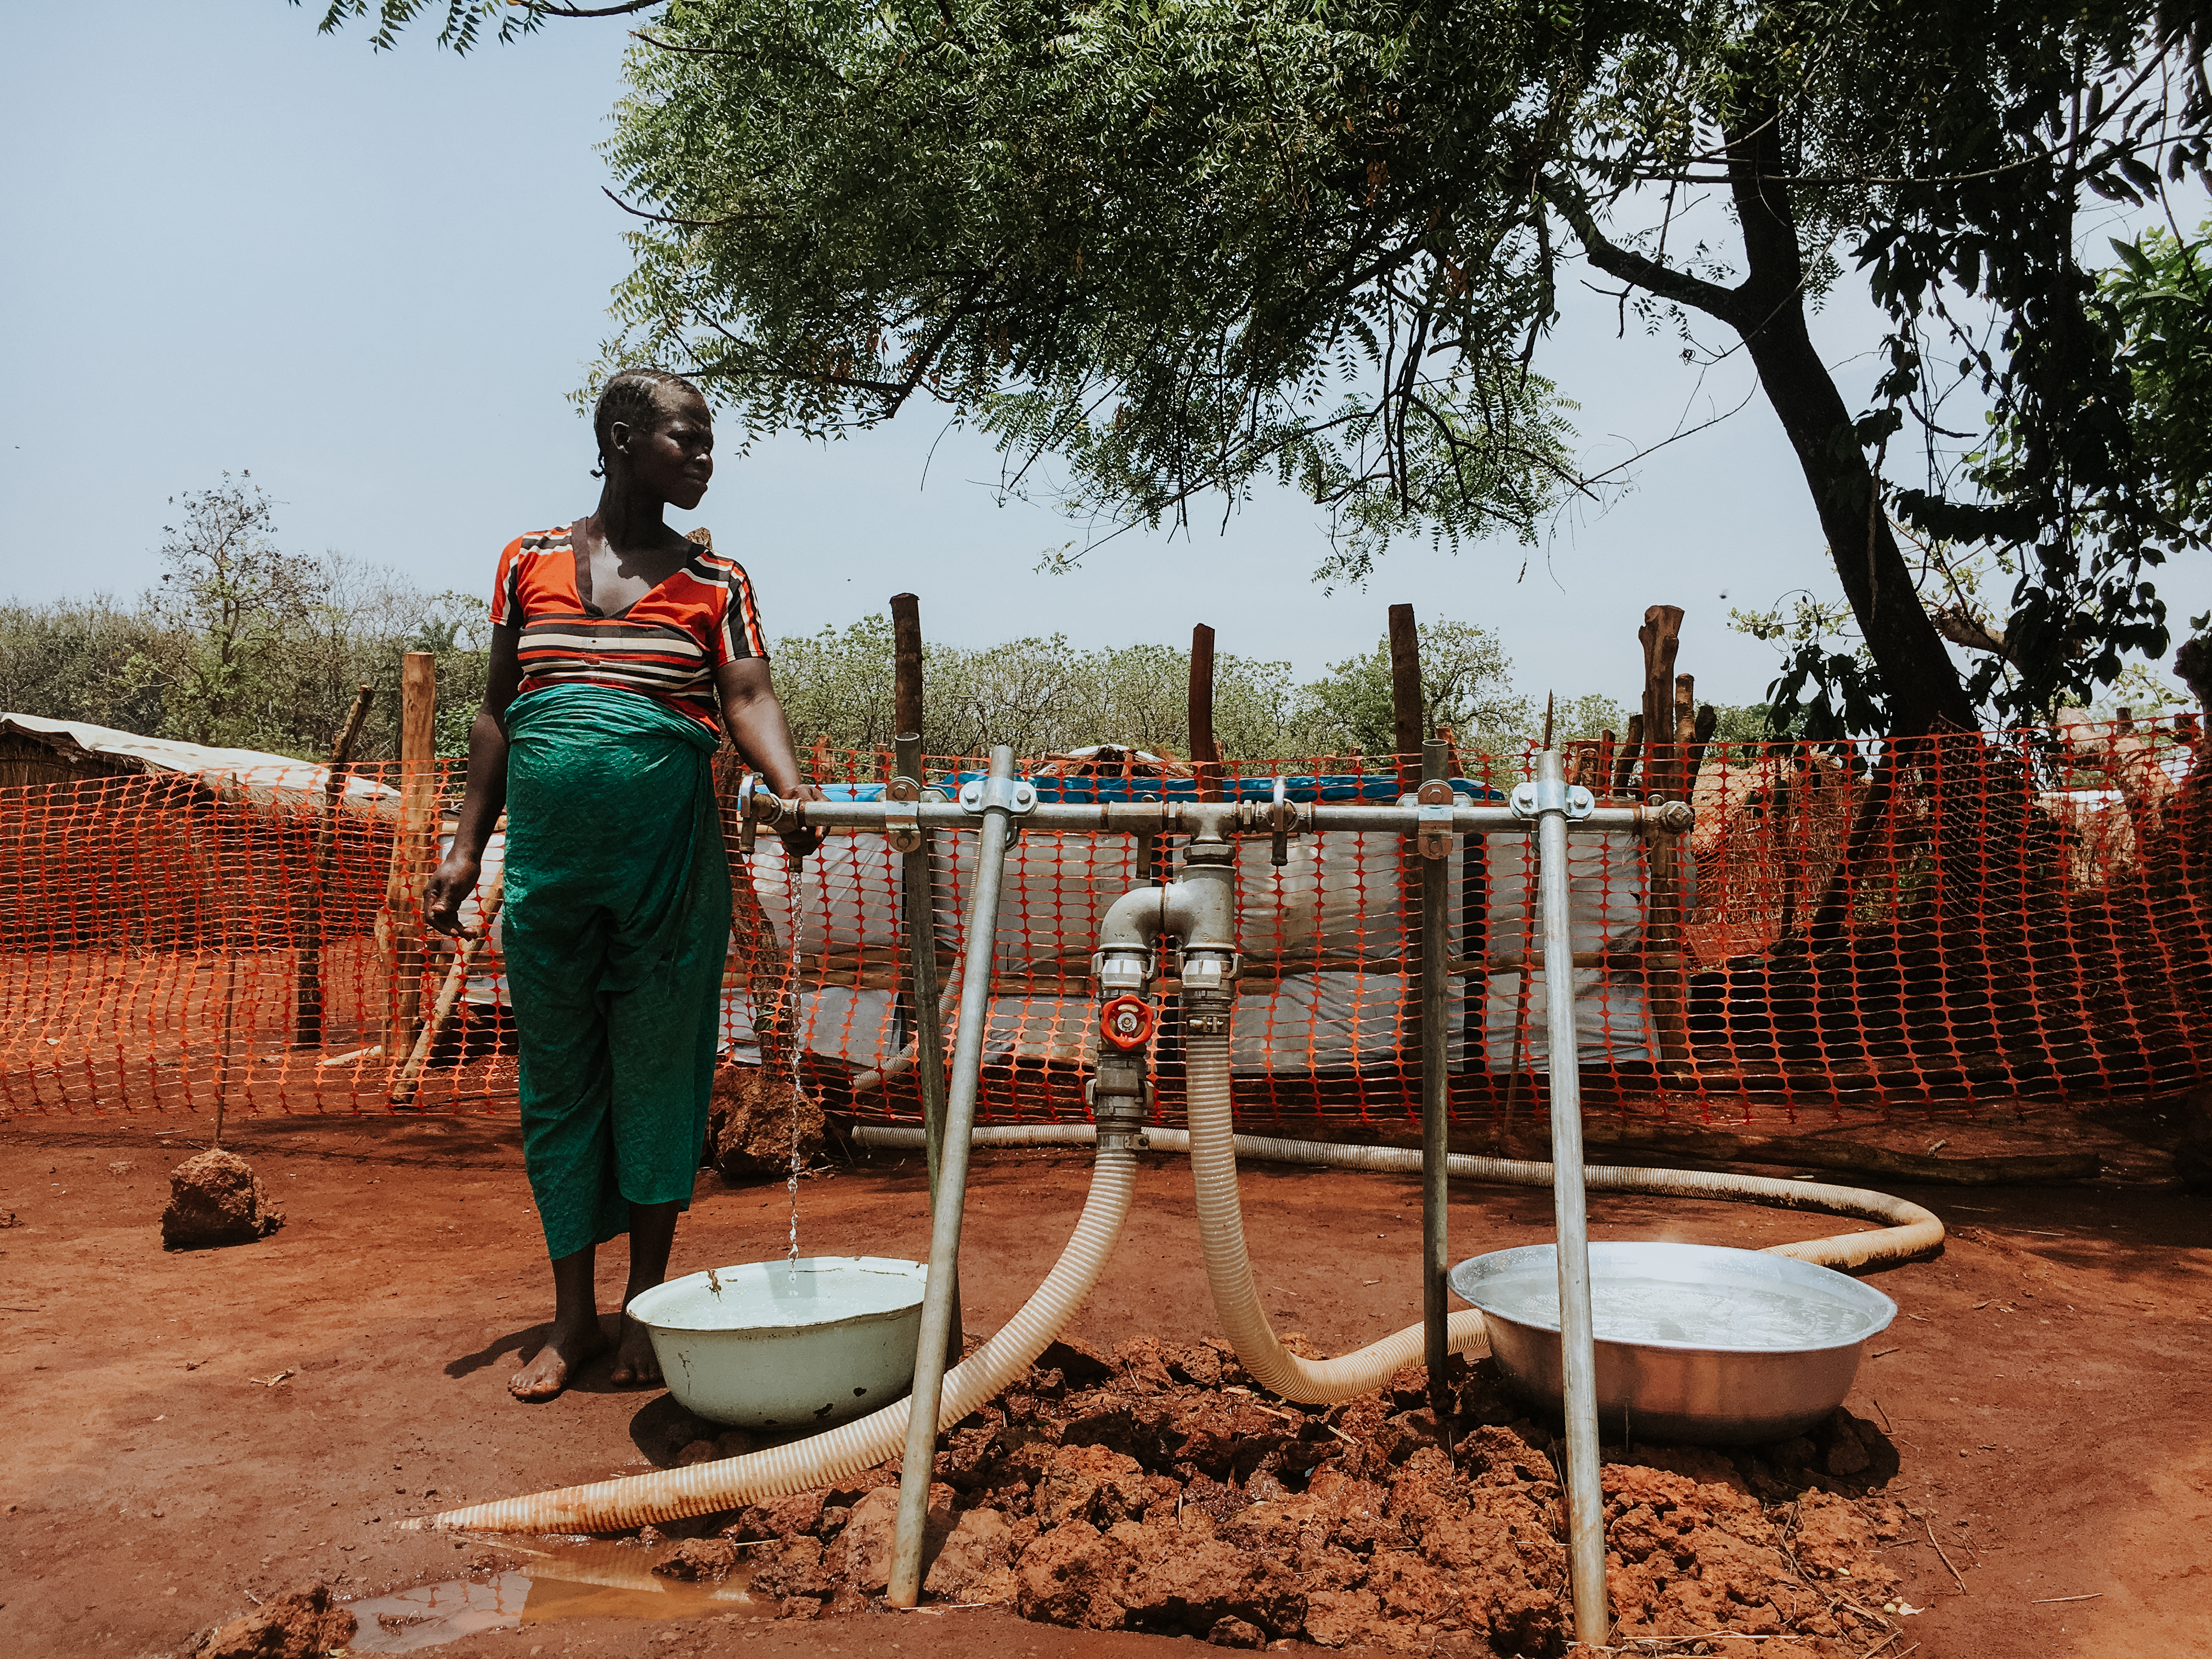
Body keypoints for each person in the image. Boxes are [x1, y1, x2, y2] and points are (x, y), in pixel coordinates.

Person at [424, 367, 818, 1401]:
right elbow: (497, 711)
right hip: (552, 872)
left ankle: (646, 1304)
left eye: (709, 442)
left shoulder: (718, 581)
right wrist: (466, 848)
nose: (705, 458)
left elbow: (748, 693)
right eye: (687, 439)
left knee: (659, 1069)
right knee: (557, 1077)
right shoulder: (528, 562)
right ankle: (571, 1317)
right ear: (622, 437)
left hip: (666, 873)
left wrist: (788, 784)